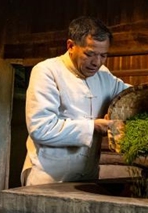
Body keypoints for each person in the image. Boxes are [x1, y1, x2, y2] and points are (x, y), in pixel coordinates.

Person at [21, 16, 130, 186]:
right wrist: (92, 127)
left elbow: (131, 95)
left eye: (103, 55)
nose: (97, 62)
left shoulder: (104, 75)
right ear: (71, 46)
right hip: (50, 180)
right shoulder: (47, 72)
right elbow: (41, 128)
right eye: (90, 54)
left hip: (88, 178)